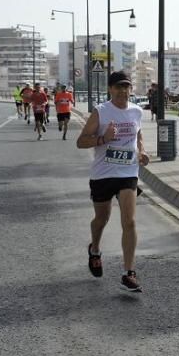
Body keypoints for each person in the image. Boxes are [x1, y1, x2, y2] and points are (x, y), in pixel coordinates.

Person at [76, 71, 150, 292]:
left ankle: (129, 272)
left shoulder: (137, 112)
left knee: (129, 221)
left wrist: (142, 151)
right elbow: (80, 142)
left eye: (126, 87)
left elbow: (138, 135)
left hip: (128, 172)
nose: (123, 91)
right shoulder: (101, 112)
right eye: (118, 87)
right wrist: (103, 139)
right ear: (110, 89)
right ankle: (95, 249)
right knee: (102, 219)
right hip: (103, 174)